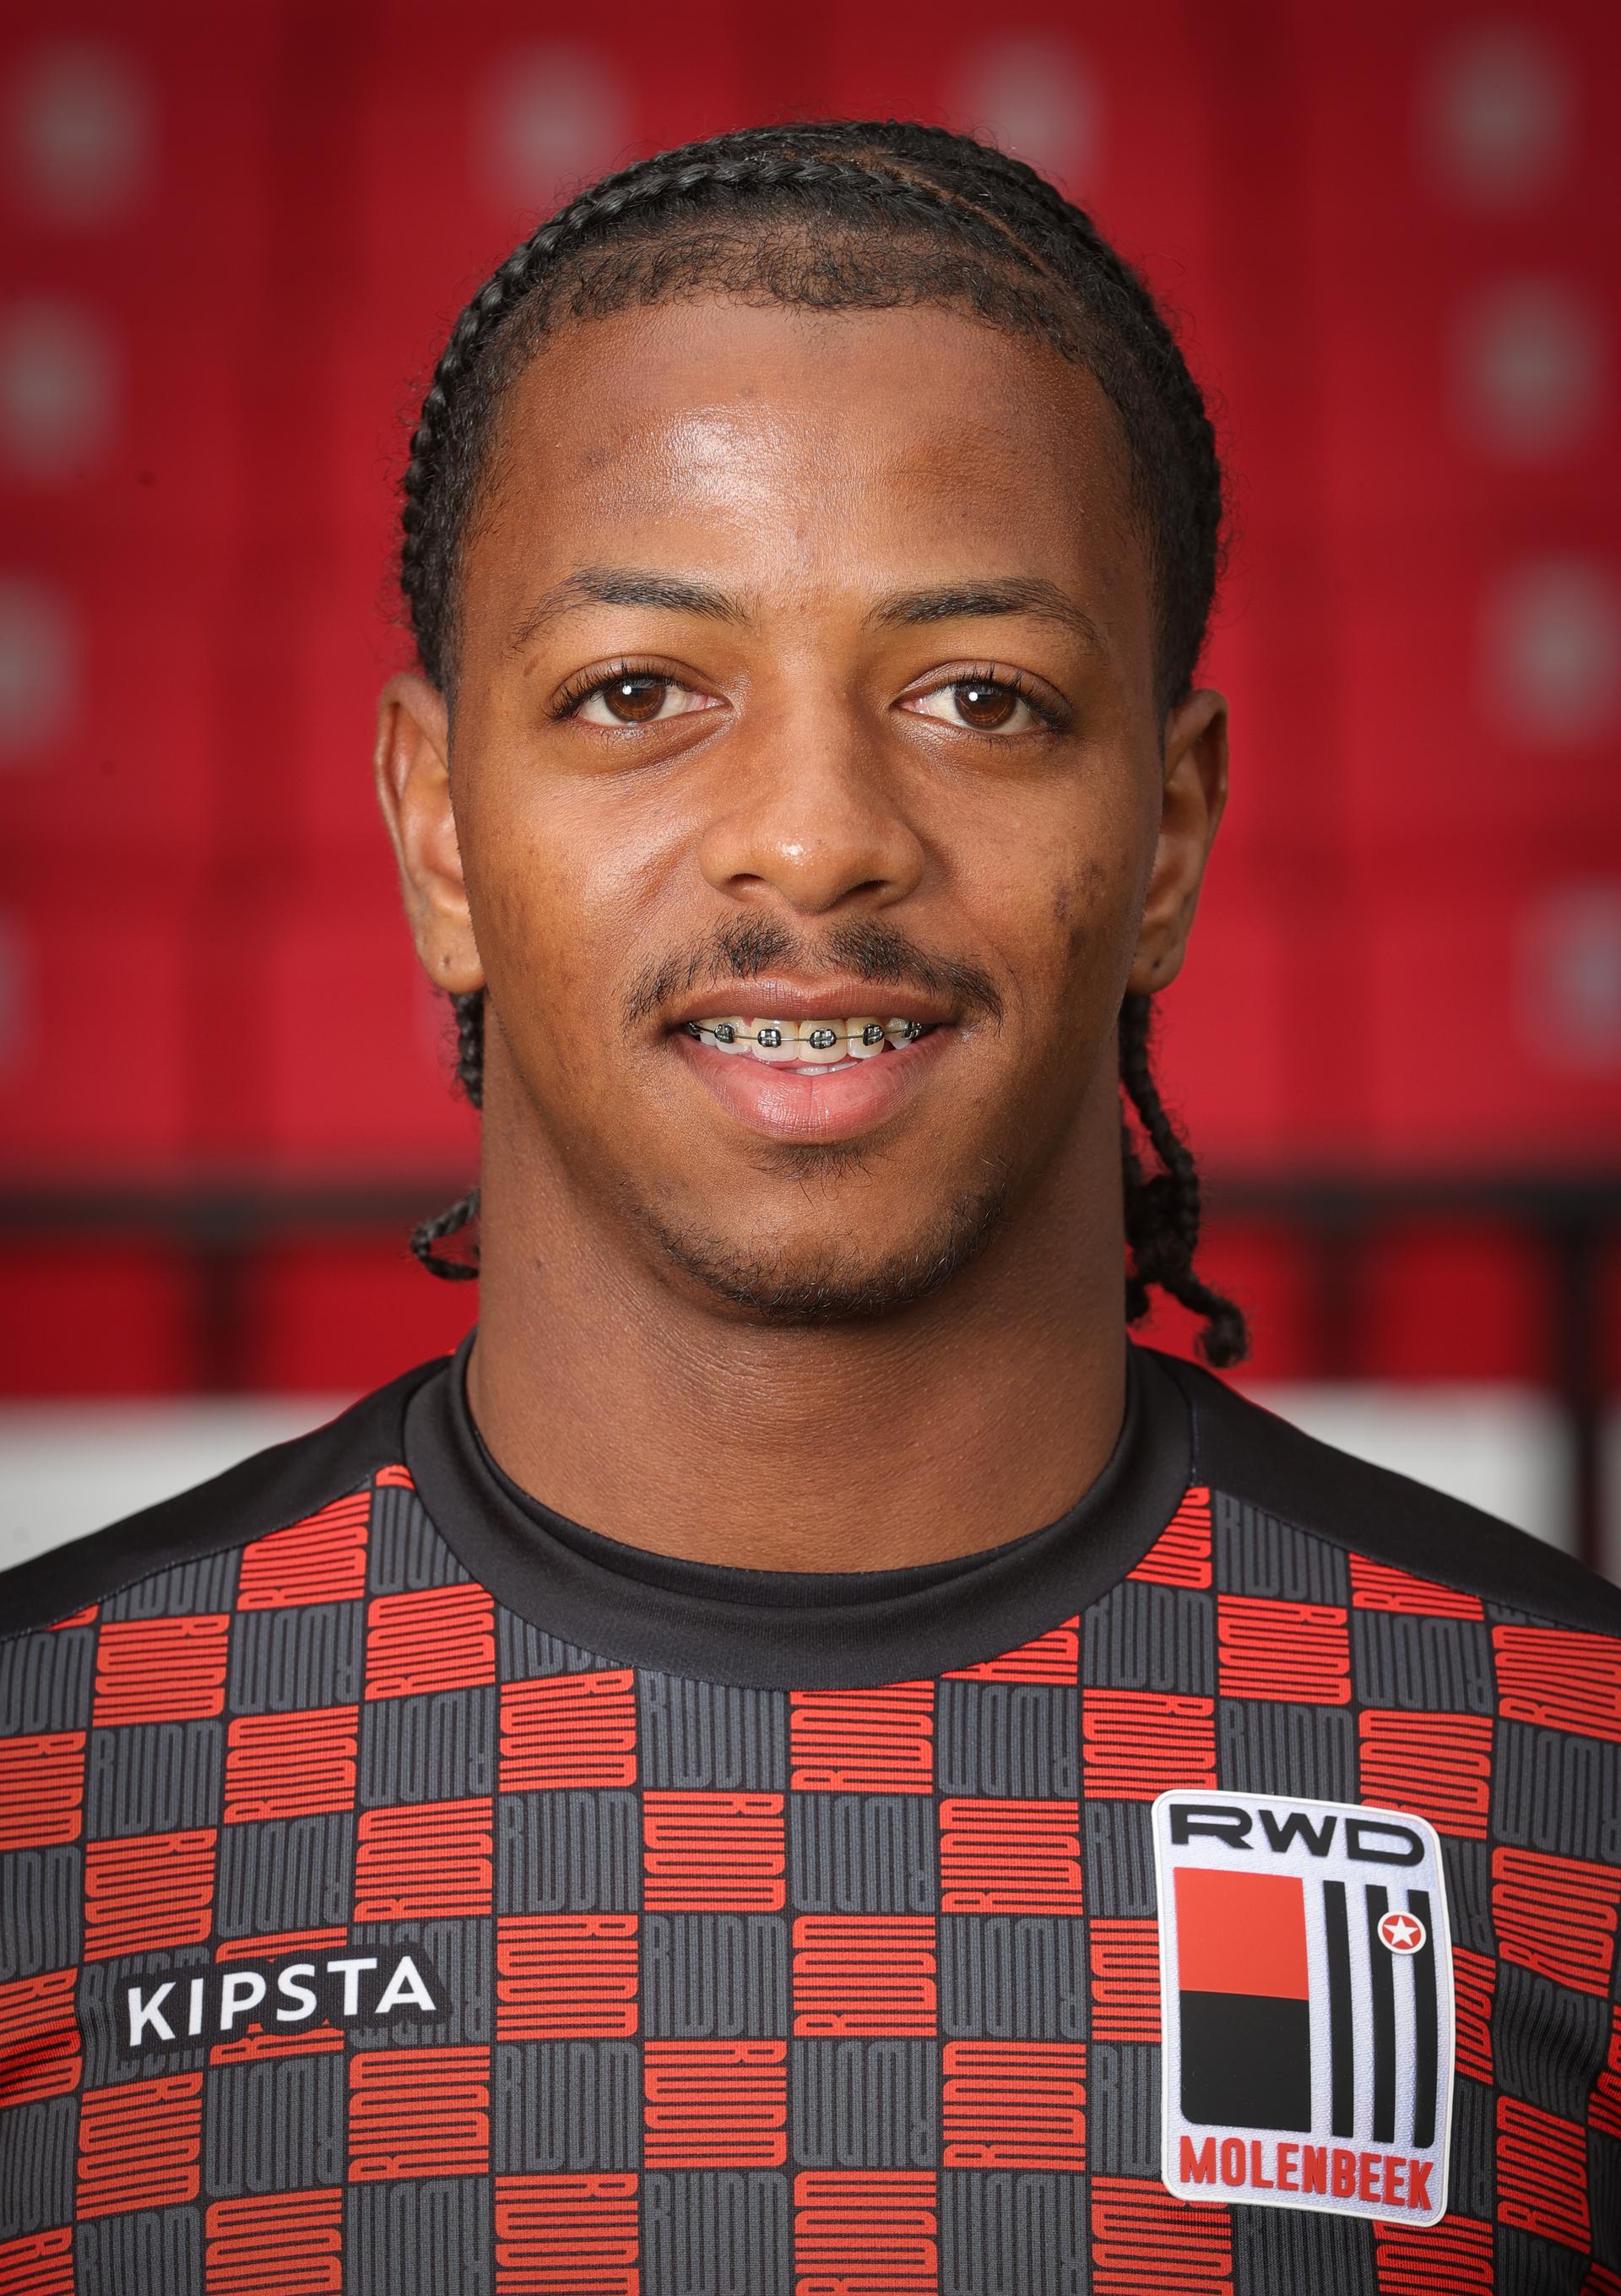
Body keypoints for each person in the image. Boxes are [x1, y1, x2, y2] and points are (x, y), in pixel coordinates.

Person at [3, 118, 1618, 2294]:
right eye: (639, 693)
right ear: (440, 826)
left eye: (980, 699)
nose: (816, 833)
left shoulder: (1564, 1780)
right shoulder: (49, 1789)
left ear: (1166, 831)